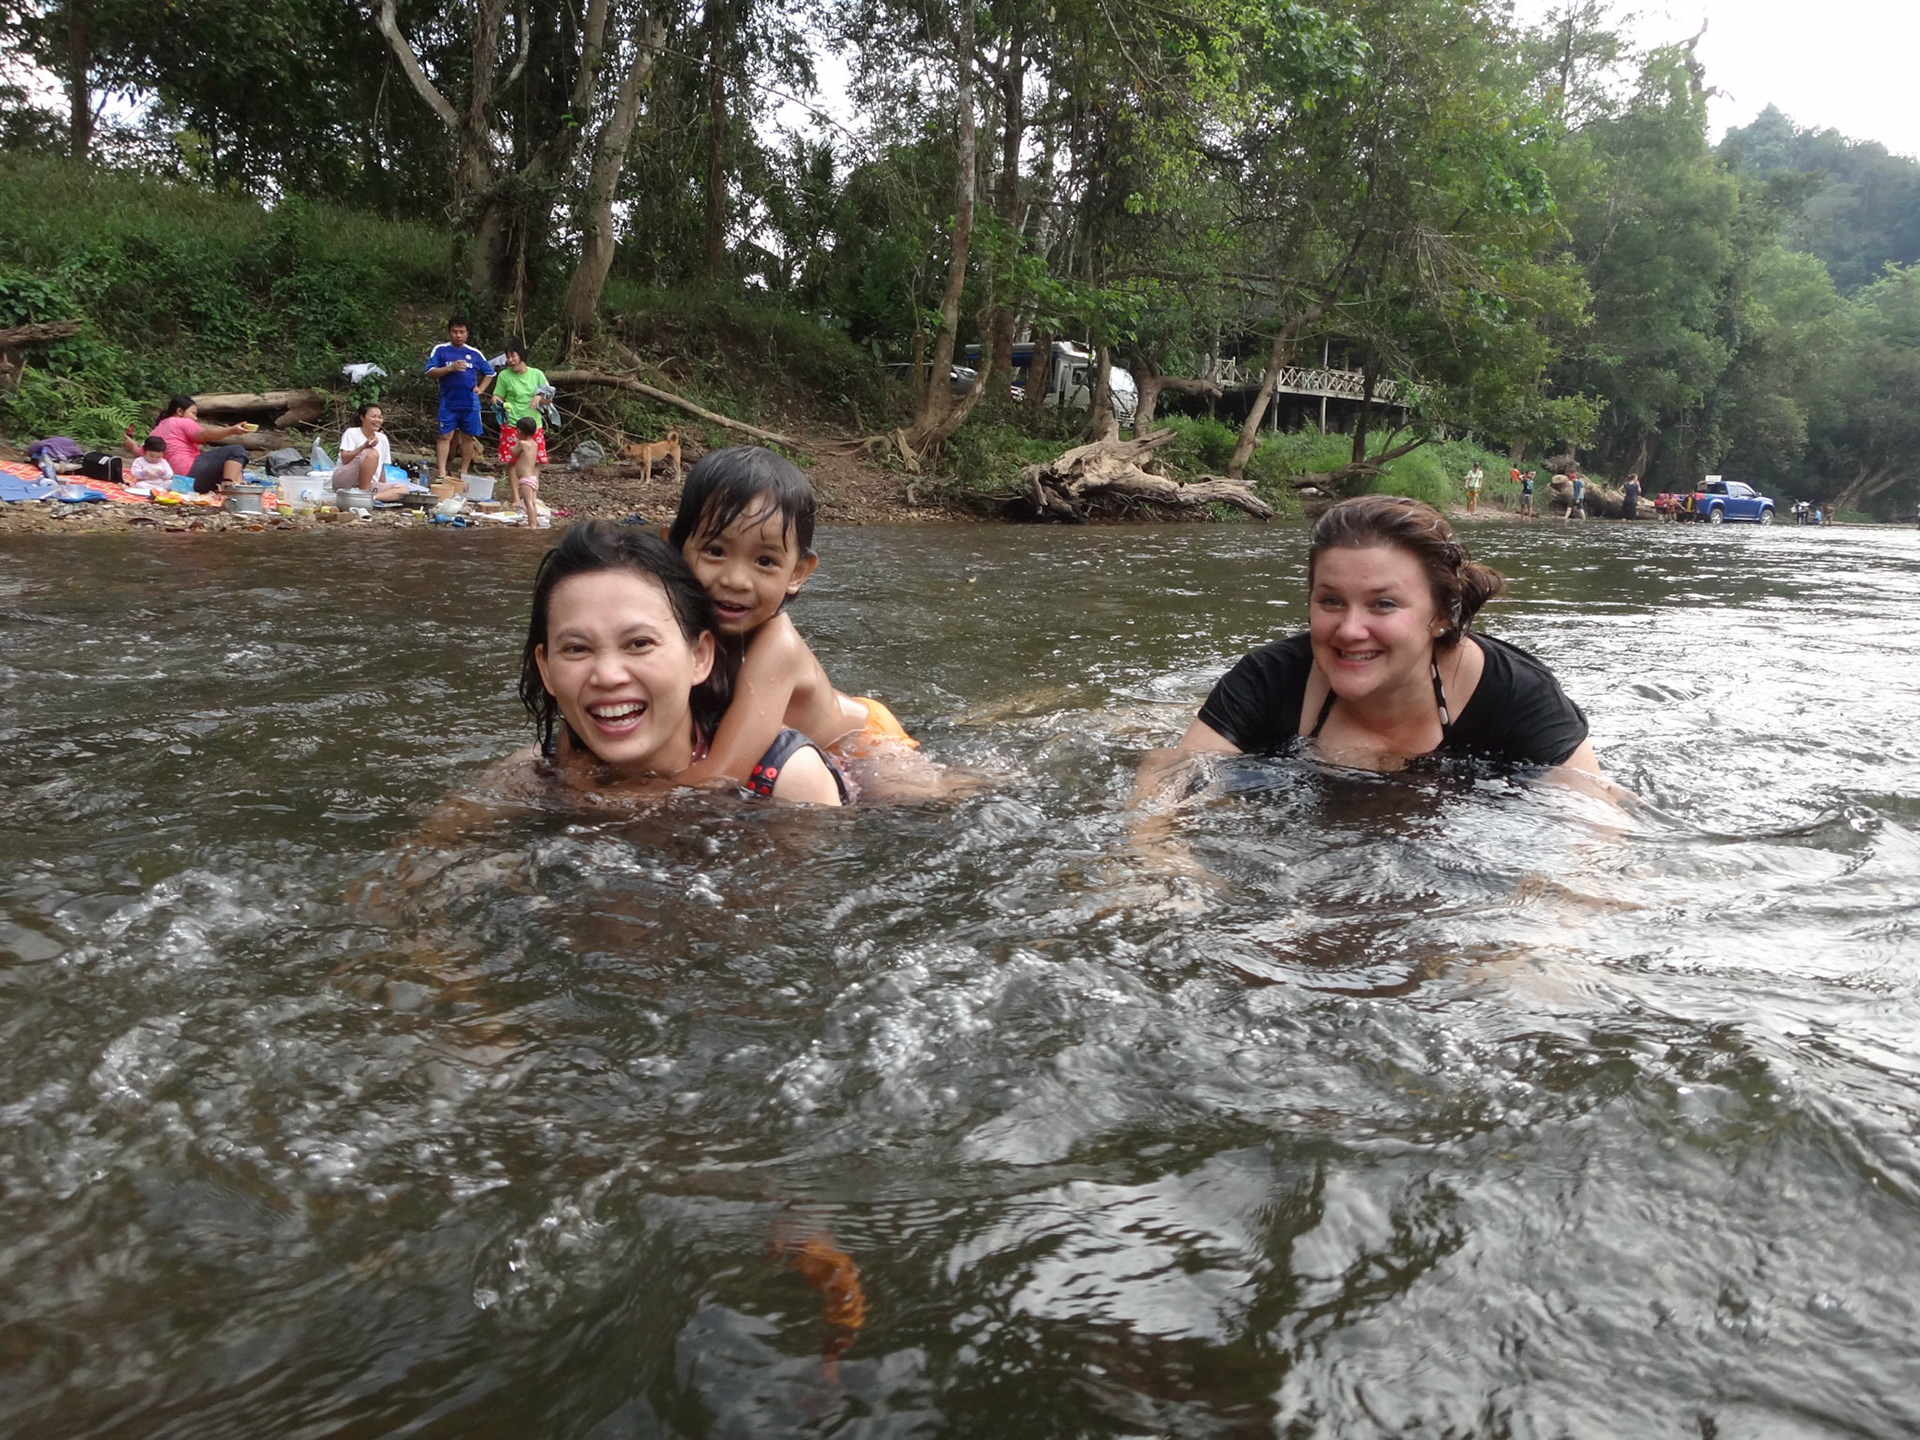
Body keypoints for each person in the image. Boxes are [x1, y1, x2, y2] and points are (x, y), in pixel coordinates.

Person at [1170, 494, 1600, 774]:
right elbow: (1170, 777)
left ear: (1441, 616)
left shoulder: (1517, 693)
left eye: (1384, 604)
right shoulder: (1269, 677)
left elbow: (1595, 824)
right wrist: (1165, 862)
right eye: (1331, 601)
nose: (1350, 630)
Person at [518, 522, 845, 805]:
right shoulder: (543, 766)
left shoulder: (789, 782)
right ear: (546, 669)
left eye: (639, 643)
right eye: (577, 649)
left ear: (700, 656)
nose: (607, 676)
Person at [665, 447, 919, 788]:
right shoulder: (663, 616)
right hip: (817, 740)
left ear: (798, 573)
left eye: (765, 561)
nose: (736, 580)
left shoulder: (777, 645)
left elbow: (722, 775)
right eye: (715, 551)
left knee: (924, 804)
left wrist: (625, 796)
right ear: (675, 547)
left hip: (864, 743)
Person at [425, 315, 494, 484]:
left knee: (468, 437)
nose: (458, 335)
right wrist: (449, 368)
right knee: (444, 436)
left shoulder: (474, 353)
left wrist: (481, 388)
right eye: (454, 332)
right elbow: (429, 372)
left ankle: (463, 471)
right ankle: (442, 472)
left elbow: (490, 373)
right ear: (449, 333)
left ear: (467, 334)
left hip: (470, 402)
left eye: (461, 332)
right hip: (449, 401)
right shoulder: (441, 350)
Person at [147, 395, 253, 494]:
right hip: (190, 475)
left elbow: (140, 452)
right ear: (180, 411)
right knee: (236, 451)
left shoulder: (156, 430)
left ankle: (238, 487)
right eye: (193, 413)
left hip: (176, 483)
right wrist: (231, 430)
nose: (195, 418)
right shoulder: (180, 421)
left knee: (232, 466)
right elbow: (203, 435)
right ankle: (229, 489)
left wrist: (129, 442)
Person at [482, 339, 551, 467]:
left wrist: (539, 397)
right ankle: (514, 488)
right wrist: (496, 401)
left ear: (521, 355)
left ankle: (531, 486)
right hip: (512, 423)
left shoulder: (537, 374)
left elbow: (549, 398)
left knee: (535, 462)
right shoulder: (504, 375)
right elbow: (497, 396)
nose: (510, 360)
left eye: (513, 356)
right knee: (512, 461)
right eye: (508, 357)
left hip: (533, 425)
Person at [333, 402, 408, 501]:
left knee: (403, 489)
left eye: (380, 417)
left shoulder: (382, 438)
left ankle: (371, 498)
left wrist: (383, 485)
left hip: (369, 484)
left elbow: (380, 468)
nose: (377, 420)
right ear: (362, 417)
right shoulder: (352, 433)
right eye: (373, 416)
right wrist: (364, 446)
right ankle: (364, 495)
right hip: (345, 480)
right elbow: (345, 459)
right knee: (371, 453)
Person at [509, 416, 546, 528]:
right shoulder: (534, 444)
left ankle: (532, 525)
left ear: (519, 431)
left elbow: (514, 453)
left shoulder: (522, 444)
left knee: (528, 504)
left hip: (525, 480)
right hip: (533, 478)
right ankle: (534, 523)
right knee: (533, 502)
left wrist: (513, 446)